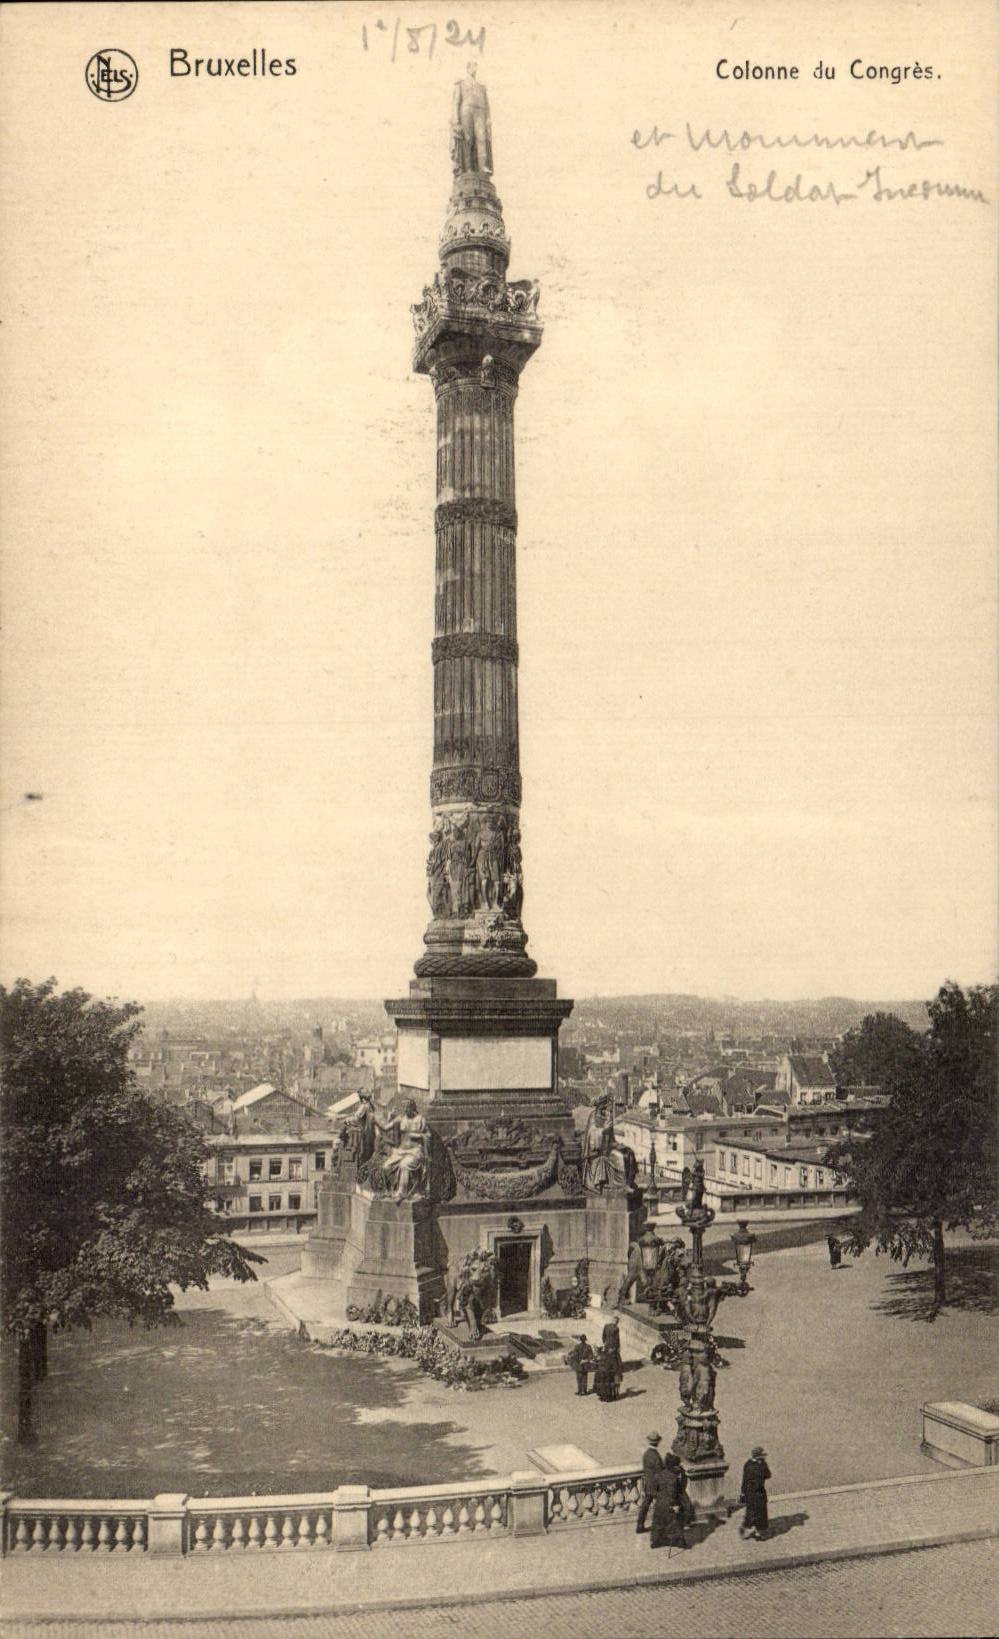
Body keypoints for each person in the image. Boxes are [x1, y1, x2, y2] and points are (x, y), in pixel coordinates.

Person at [650, 1453, 689, 1550]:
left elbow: (653, 1491)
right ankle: (680, 1541)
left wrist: (659, 1497)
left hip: (660, 1504)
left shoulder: (658, 1475)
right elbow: (677, 1492)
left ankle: (656, 1541)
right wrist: (675, 1504)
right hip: (670, 1504)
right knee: (677, 1520)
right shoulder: (674, 1478)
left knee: (658, 1522)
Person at [739, 1445, 772, 1540]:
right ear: (758, 1456)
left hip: (756, 1492)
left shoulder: (755, 1464)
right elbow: (745, 1479)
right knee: (755, 1512)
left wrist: (743, 1492)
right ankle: (750, 1530)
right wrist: (743, 1492)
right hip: (754, 1492)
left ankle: (756, 1531)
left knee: (757, 1512)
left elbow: (768, 1475)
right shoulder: (753, 1465)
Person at [635, 1432, 664, 1533]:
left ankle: (640, 1525)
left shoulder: (646, 1454)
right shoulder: (655, 1455)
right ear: (657, 1442)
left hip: (648, 1483)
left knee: (645, 1505)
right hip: (656, 1485)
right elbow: (660, 1470)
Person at [602, 1312, 623, 1399]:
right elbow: (617, 1340)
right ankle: (616, 1394)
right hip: (613, 1351)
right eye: (617, 1321)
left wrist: (605, 1345)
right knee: (616, 1376)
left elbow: (603, 1337)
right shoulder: (616, 1328)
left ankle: (608, 1393)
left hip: (607, 1348)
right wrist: (616, 1348)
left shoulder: (606, 1326)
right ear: (616, 1321)